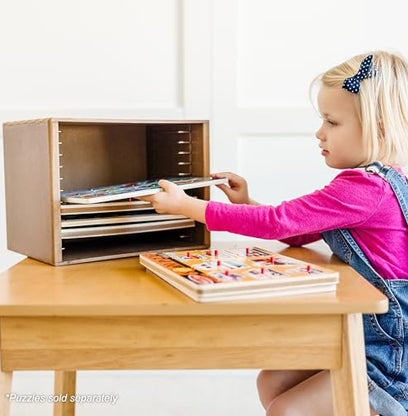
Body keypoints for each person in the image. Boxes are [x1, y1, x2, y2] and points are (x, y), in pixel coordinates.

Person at [139, 51, 408, 416]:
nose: (320, 132)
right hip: (369, 332)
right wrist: (247, 202)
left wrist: (188, 207)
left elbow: (279, 222)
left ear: (377, 127)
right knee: (272, 382)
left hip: (388, 350)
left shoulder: (365, 188)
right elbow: (300, 229)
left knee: (287, 409)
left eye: (331, 121)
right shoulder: (382, 182)